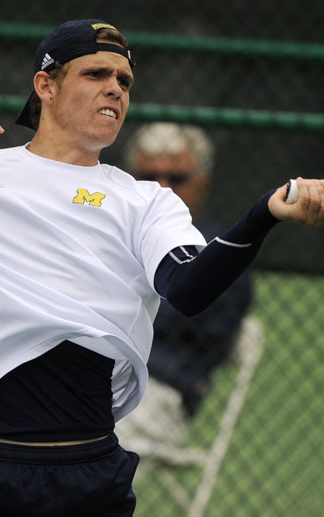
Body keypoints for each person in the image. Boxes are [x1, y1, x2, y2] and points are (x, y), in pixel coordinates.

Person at [0, 19, 324, 516]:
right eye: (96, 74)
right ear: (46, 85)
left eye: (124, 81)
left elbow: (190, 289)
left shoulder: (147, 201)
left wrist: (262, 215)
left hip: (86, 482)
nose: (115, 88)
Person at [116, 123, 252, 464]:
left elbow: (197, 317)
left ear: (202, 184)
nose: (162, 188)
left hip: (160, 394)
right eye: (149, 175)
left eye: (176, 179)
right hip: (93, 376)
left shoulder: (223, 252)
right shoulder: (114, 233)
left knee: (71, 436)